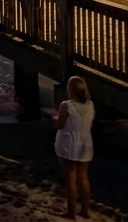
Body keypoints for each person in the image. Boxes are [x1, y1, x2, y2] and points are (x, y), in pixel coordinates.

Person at [54, 75, 94, 220]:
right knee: (83, 177)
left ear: (71, 90)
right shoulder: (90, 105)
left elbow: (60, 125)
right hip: (85, 142)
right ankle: (85, 210)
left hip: (69, 143)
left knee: (70, 176)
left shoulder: (67, 105)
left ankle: (71, 212)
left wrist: (55, 118)